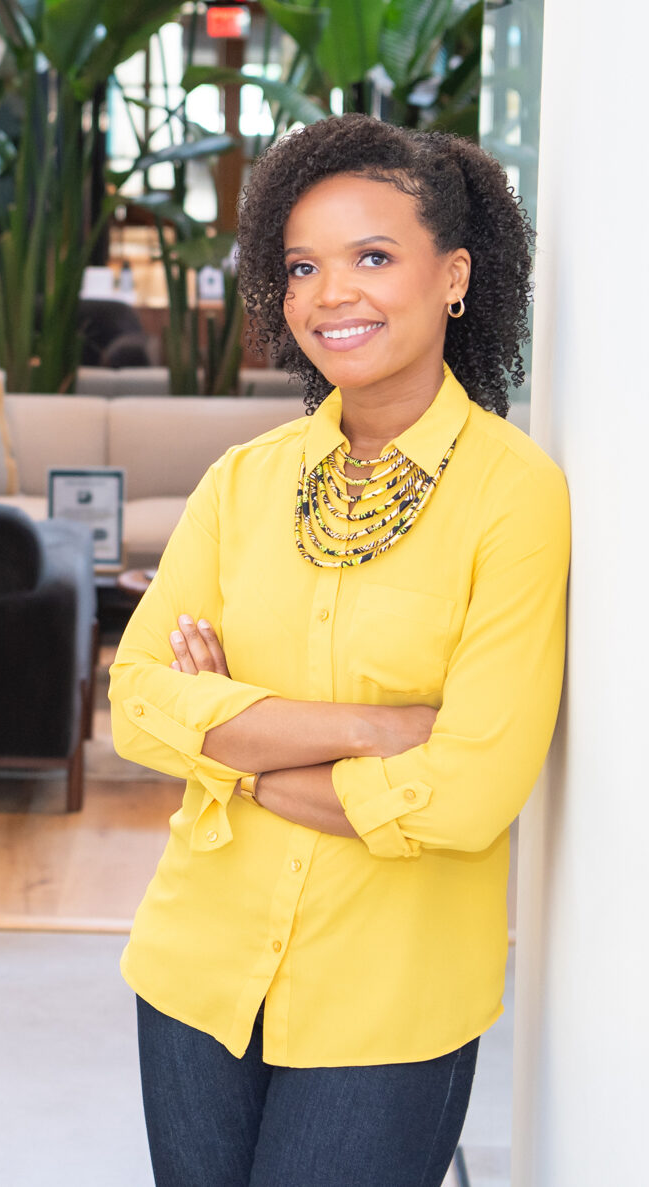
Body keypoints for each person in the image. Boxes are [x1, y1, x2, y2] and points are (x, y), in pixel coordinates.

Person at [109, 113, 570, 1187]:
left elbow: (467, 793)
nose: (330, 295)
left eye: (374, 256)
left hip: (389, 996)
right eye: (303, 266)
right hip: (196, 969)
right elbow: (135, 703)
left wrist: (233, 738)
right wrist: (380, 730)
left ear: (454, 276)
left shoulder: (513, 496)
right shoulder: (245, 481)